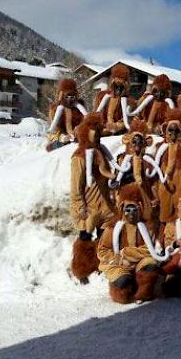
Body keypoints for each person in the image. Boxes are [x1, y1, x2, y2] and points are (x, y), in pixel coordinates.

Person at [97, 184, 167, 303]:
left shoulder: (146, 227)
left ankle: (142, 291)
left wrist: (126, 254)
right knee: (123, 282)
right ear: (122, 208)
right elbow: (103, 250)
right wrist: (119, 259)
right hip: (118, 262)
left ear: (139, 208)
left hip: (139, 261)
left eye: (134, 209)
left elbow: (148, 249)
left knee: (151, 265)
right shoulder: (112, 228)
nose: (131, 213)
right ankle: (124, 286)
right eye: (127, 210)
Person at [69, 113, 117, 283]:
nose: (96, 135)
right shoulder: (79, 156)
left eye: (98, 132)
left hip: (106, 205)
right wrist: (80, 205)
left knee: (105, 238)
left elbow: (108, 173)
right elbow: (76, 185)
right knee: (85, 238)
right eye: (93, 132)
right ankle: (81, 270)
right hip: (89, 206)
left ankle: (101, 267)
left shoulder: (102, 151)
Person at [111, 119, 158, 224]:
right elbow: (116, 180)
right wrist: (116, 196)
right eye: (134, 141)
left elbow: (153, 182)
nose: (137, 144)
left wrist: (155, 197)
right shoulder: (122, 159)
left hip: (143, 195)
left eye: (140, 141)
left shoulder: (148, 160)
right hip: (125, 197)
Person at [153, 108, 181, 225]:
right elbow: (155, 168)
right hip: (165, 183)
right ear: (165, 130)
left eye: (176, 131)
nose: (173, 134)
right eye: (170, 130)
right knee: (165, 211)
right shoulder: (160, 146)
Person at [46, 78, 87, 152]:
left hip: (78, 138)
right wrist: (62, 137)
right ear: (62, 95)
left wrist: (79, 129)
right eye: (67, 97)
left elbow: (85, 123)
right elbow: (54, 130)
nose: (69, 99)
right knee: (58, 147)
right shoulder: (55, 109)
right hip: (62, 140)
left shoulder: (80, 107)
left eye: (72, 97)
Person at [93, 63, 135, 135]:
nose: (118, 90)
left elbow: (130, 119)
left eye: (120, 87)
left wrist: (118, 126)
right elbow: (96, 112)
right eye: (116, 86)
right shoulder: (101, 96)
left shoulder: (130, 101)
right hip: (102, 129)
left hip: (118, 133)